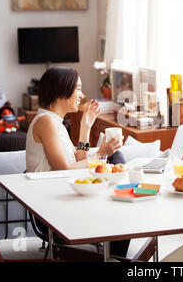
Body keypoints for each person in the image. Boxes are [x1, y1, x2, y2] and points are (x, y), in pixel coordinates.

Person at [26, 66, 130, 257]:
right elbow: (64, 168)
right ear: (61, 91)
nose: (82, 95)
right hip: (51, 207)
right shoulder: (46, 122)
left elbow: (77, 163)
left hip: (63, 196)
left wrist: (85, 125)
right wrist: (101, 153)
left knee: (114, 163)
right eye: (78, 89)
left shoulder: (55, 122)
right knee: (121, 212)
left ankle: (116, 253)